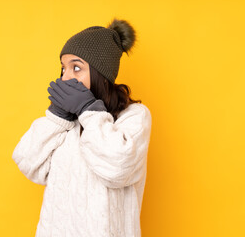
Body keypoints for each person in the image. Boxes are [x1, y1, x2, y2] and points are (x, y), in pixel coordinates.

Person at [12, 17, 152, 237]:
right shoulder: (66, 123)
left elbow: (117, 168)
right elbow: (28, 163)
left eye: (76, 67)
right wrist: (57, 118)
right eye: (63, 69)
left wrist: (89, 110)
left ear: (101, 74)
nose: (66, 77)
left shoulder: (133, 117)